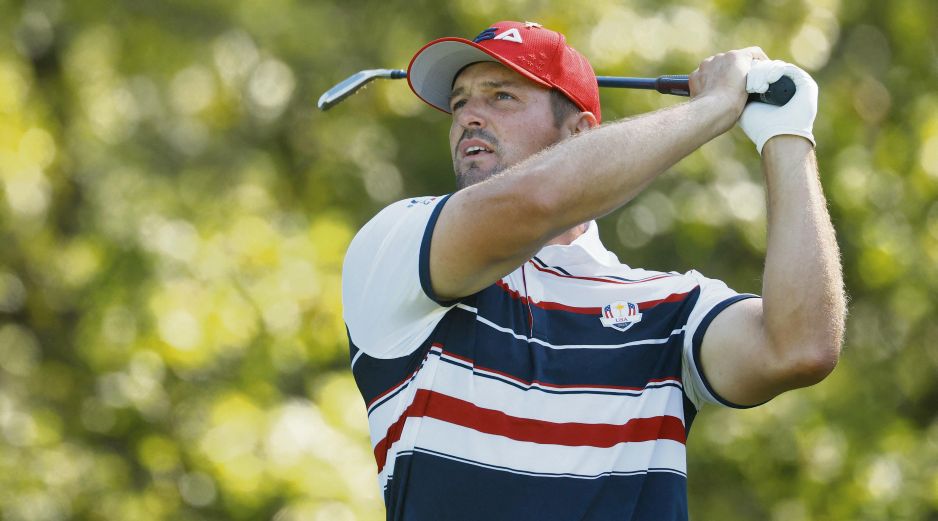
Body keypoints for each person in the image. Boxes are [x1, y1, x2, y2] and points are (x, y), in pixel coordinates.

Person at [342, 20, 845, 521]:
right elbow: (538, 199)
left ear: (580, 132)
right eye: (459, 103)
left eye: (501, 97)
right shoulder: (398, 247)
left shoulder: (668, 308)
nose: (468, 117)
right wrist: (714, 106)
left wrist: (785, 133)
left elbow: (799, 347)